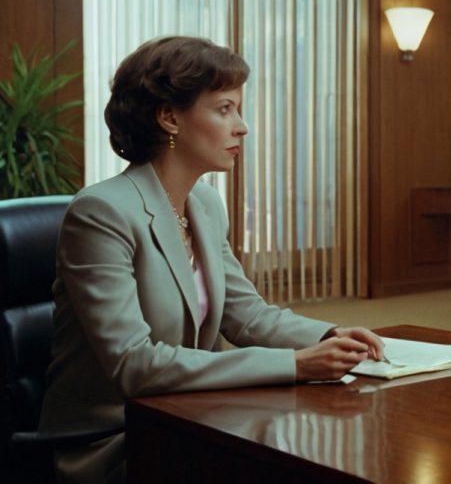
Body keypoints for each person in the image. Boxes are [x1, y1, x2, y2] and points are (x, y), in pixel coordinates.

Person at [38, 36, 385, 483]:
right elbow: (134, 364)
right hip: (113, 436)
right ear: (169, 118)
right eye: (225, 109)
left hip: (190, 416)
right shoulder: (102, 212)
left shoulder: (203, 203)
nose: (242, 127)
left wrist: (328, 334)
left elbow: (248, 316)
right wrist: (296, 365)